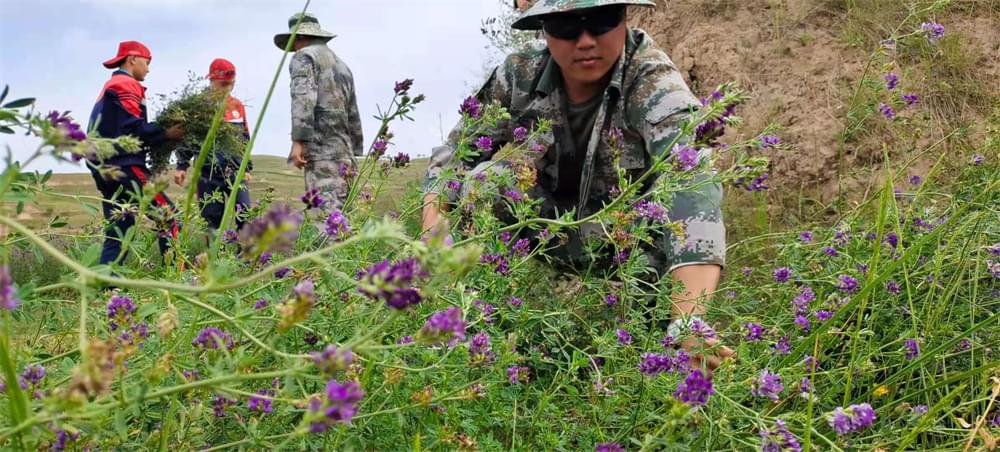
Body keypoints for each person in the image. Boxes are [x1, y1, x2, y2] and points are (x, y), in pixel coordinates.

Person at [421, 1, 734, 371]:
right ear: (544, 28)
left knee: (662, 241)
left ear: (623, 18)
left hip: (625, 241)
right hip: (544, 229)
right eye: (567, 26)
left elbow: (692, 181)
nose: (585, 41)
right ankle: (486, 326)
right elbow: (456, 155)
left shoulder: (651, 79)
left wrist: (689, 320)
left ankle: (646, 345)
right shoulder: (519, 73)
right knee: (484, 183)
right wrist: (433, 239)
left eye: (601, 21)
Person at [87, 40, 184, 266]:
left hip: (104, 168)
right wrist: (166, 132)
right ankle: (178, 276)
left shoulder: (109, 87)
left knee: (119, 231)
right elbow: (132, 127)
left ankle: (107, 285)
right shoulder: (125, 84)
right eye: (147, 62)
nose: (148, 69)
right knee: (169, 217)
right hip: (124, 165)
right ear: (132, 59)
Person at [274, 12, 364, 212]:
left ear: (299, 37)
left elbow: (303, 98)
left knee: (324, 221)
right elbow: (353, 112)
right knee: (346, 221)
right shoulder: (343, 66)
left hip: (322, 154)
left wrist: (298, 141)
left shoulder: (304, 57)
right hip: (345, 155)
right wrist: (355, 150)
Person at [174, 58, 253, 231]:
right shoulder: (198, 106)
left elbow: (244, 137)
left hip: (234, 170)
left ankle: (246, 255)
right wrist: (181, 166)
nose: (228, 88)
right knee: (211, 220)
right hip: (207, 173)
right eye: (223, 84)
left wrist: (247, 167)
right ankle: (213, 256)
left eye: (231, 84)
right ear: (211, 80)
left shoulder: (237, 106)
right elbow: (188, 138)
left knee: (245, 212)